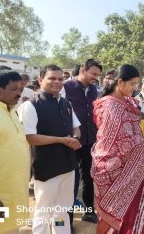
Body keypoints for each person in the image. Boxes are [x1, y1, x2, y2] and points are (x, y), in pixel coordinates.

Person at [91, 64, 144, 233]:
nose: (135, 88)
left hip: (130, 169)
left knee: (138, 212)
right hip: (112, 170)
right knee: (117, 216)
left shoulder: (127, 102)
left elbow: (132, 134)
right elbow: (121, 140)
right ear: (120, 82)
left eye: (136, 84)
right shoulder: (110, 106)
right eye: (132, 84)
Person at [18, 65, 82, 234]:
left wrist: (74, 139)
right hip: (46, 168)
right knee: (43, 211)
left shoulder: (66, 103)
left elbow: (76, 128)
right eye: (52, 78)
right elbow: (29, 137)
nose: (57, 82)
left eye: (60, 79)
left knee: (62, 210)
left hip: (68, 166)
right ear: (40, 80)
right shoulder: (30, 106)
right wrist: (62, 140)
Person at [0, 70, 30, 233]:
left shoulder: (12, 112)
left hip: (15, 195)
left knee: (11, 229)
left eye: (20, 89)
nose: (19, 93)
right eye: (14, 89)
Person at [62, 58, 102, 223]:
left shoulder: (93, 90)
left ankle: (89, 211)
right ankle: (68, 220)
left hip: (89, 140)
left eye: (97, 75)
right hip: (71, 141)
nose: (95, 77)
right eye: (93, 73)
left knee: (89, 176)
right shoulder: (65, 87)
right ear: (83, 70)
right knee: (71, 180)